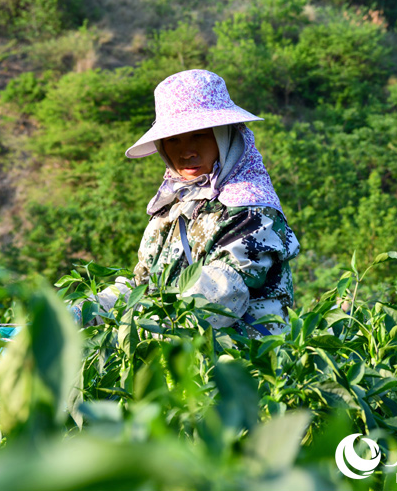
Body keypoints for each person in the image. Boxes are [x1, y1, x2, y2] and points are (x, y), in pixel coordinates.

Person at [80, 69, 300, 337]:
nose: (186, 152)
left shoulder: (251, 210)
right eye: (173, 139)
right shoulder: (172, 209)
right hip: (180, 357)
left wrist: (134, 330)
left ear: (225, 135)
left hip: (245, 366)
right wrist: (82, 313)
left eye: (200, 135)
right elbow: (144, 285)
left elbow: (220, 293)